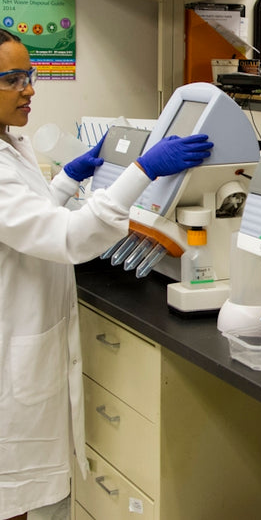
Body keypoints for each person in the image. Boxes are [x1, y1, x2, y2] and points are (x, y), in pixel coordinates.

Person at [0, 29, 213, 520]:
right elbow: (69, 240)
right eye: (12, 79)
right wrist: (143, 170)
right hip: (13, 360)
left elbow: (27, 222)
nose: (29, 89)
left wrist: (64, 180)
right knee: (19, 500)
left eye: (29, 76)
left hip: (26, 342)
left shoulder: (12, 141)